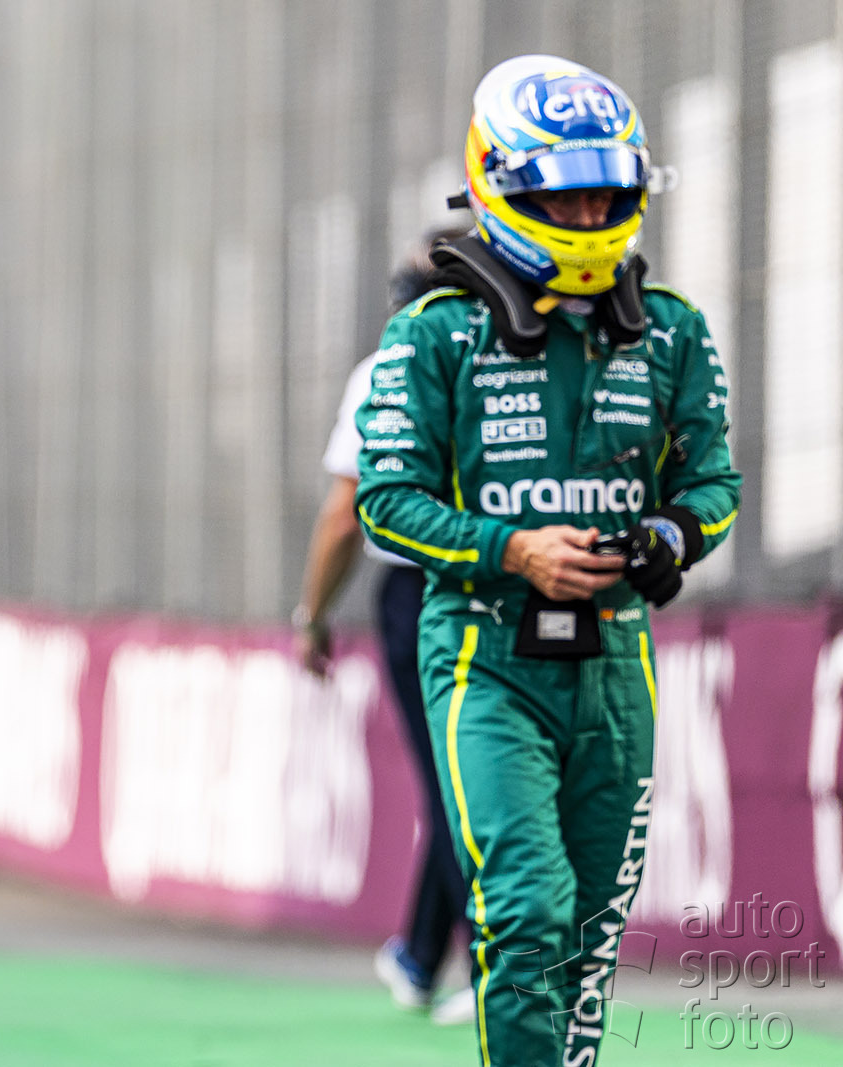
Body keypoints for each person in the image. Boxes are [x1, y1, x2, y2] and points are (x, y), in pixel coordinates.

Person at [353, 56, 739, 1066]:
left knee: (589, 941)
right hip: (483, 660)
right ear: (501, 185)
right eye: (561, 194)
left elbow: (713, 484)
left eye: (603, 194)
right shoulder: (434, 334)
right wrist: (514, 549)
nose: (585, 213)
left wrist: (670, 536)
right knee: (527, 906)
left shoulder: (673, 331)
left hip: (617, 663)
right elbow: (384, 502)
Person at [293, 236, 475, 1026]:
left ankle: (491, 963)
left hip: (424, 587)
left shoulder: (385, 370)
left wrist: (312, 615)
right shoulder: (531, 365)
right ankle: (424, 954)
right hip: (519, 579)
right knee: (472, 776)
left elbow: (345, 513)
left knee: (460, 781)